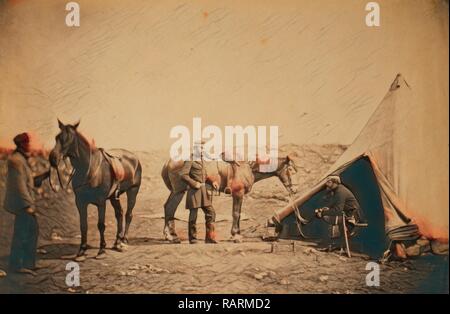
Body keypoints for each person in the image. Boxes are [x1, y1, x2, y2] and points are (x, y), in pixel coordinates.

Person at [3, 133, 49, 274]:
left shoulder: (21, 159)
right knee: (22, 233)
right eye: (28, 143)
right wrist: (27, 205)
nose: (31, 145)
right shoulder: (16, 160)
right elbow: (19, 186)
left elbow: (29, 181)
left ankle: (28, 264)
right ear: (22, 144)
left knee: (32, 231)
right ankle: (16, 266)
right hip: (23, 204)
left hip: (25, 203)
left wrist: (45, 174)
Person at [179, 141, 219, 244]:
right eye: (200, 148)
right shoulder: (190, 159)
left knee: (211, 212)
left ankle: (209, 238)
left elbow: (204, 175)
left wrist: (212, 181)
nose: (202, 150)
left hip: (203, 191)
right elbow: (183, 175)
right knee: (193, 215)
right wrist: (193, 183)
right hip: (194, 192)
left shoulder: (201, 160)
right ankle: (193, 238)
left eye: (203, 148)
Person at [315, 175, 361, 252]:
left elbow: (338, 210)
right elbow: (335, 205)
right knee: (325, 215)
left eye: (329, 182)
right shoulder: (337, 190)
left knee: (326, 217)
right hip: (346, 214)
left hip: (352, 217)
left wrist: (323, 213)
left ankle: (328, 244)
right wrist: (324, 209)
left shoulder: (340, 192)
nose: (326, 184)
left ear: (335, 183)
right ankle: (330, 243)